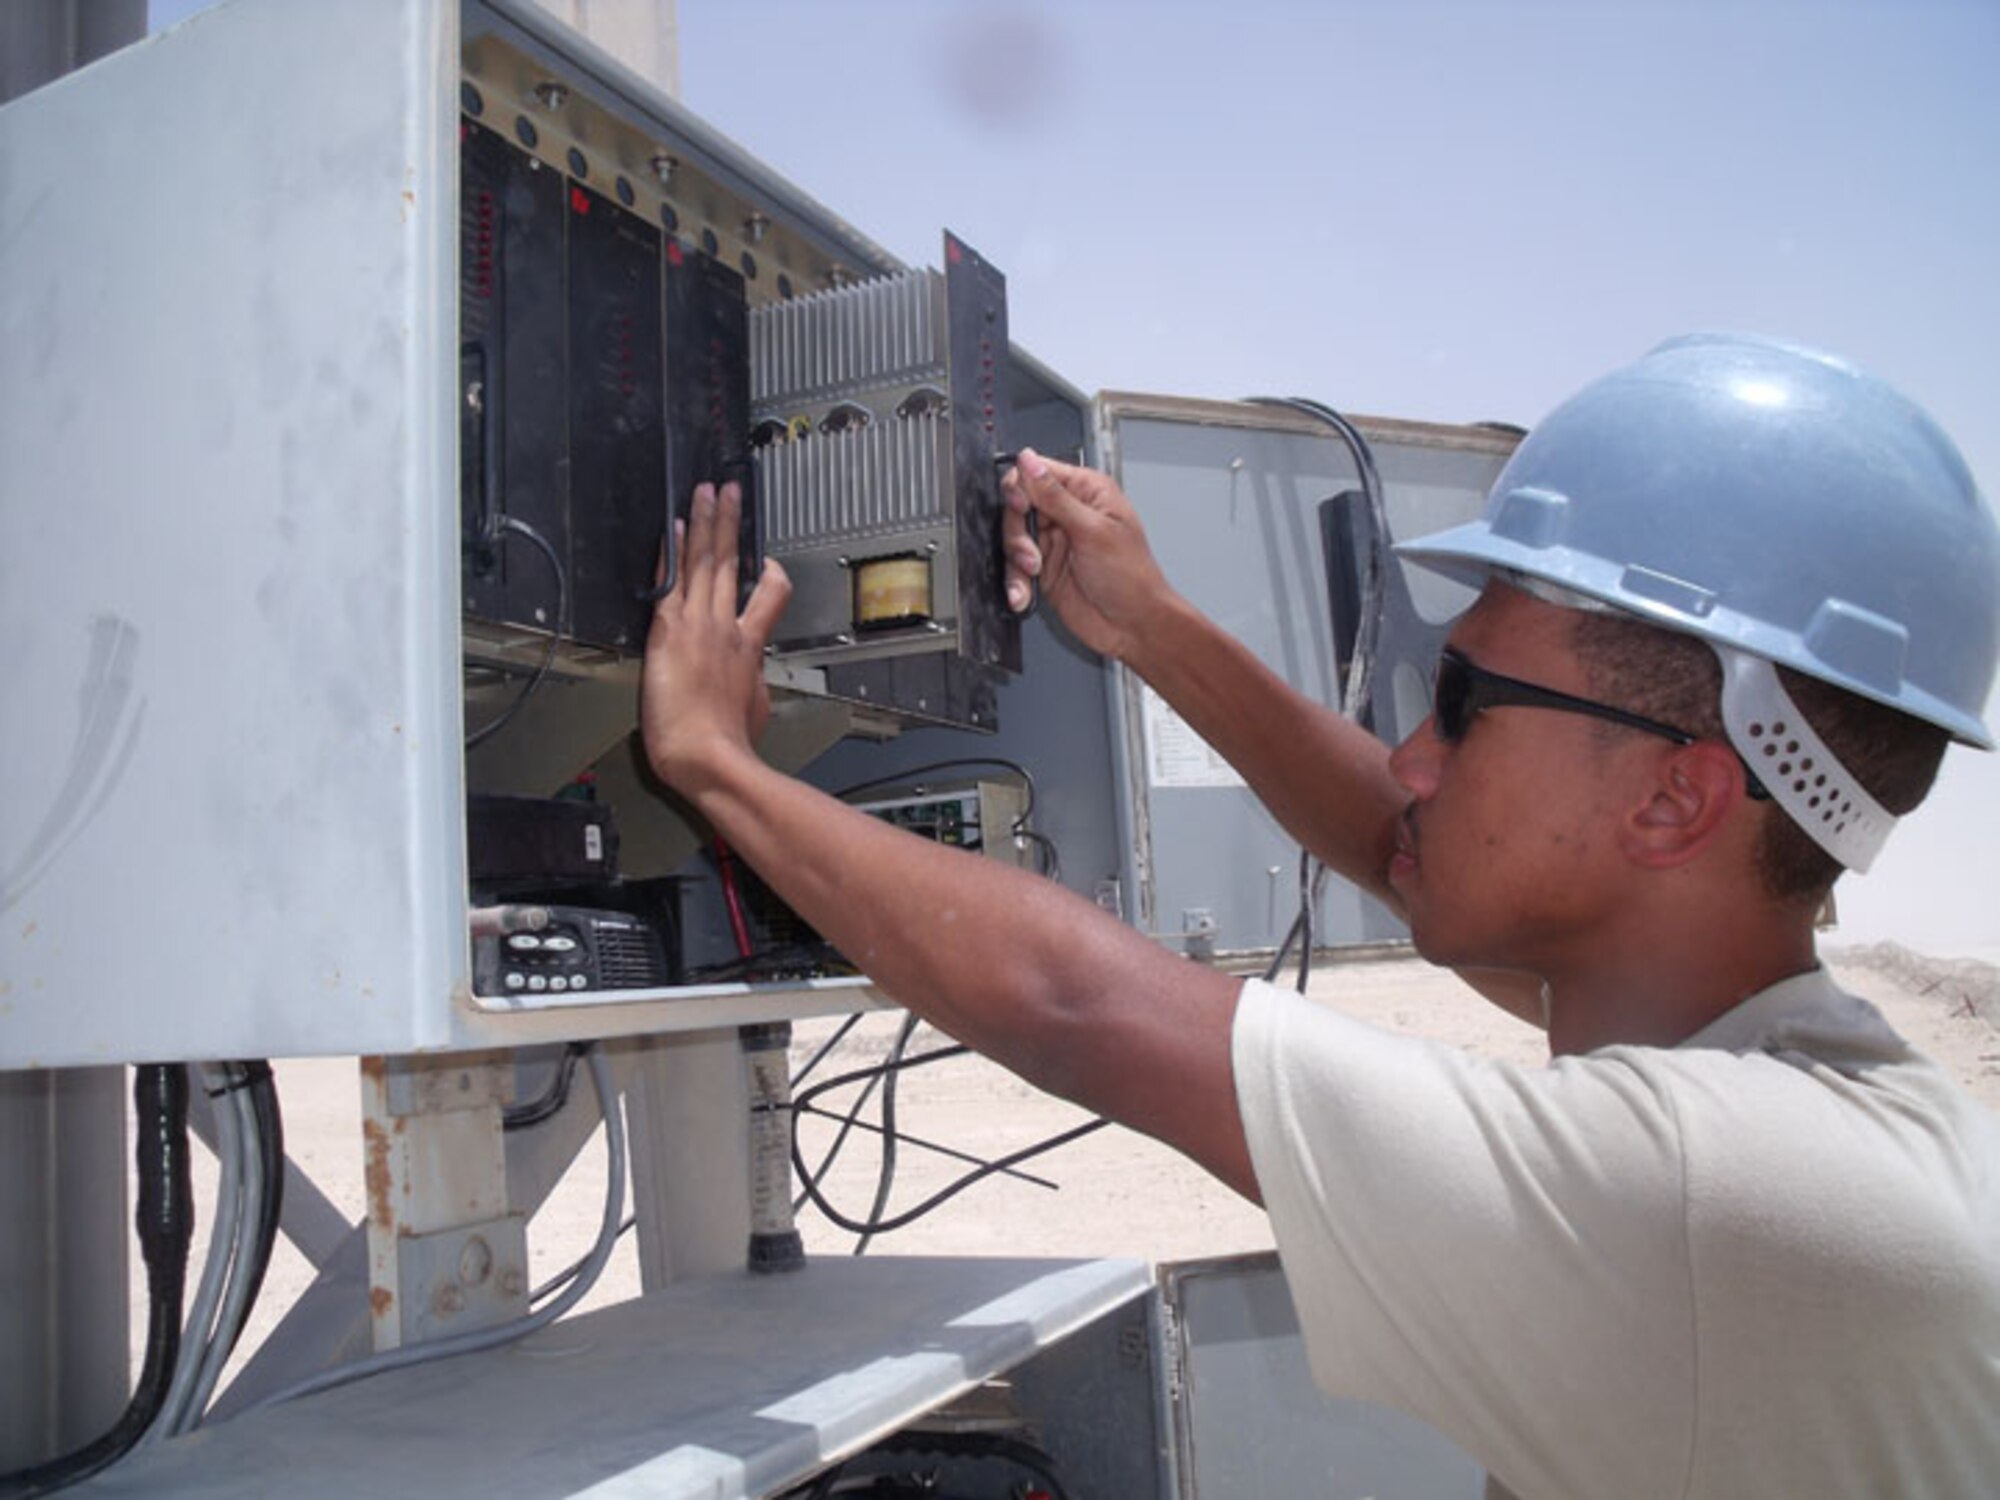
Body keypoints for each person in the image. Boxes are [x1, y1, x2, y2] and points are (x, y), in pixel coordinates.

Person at [640, 333, 2000, 1498]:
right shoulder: (1804, 1083)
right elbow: (1410, 852)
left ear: (1673, 800)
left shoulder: (1705, 1197)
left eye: (1463, 703)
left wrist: (716, 762)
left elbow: (1080, 1006)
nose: (1413, 754)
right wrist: (1151, 626)